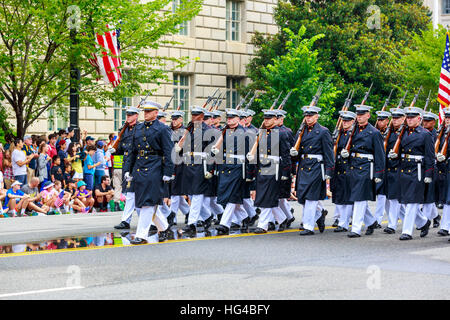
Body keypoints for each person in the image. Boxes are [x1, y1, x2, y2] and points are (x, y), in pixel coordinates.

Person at [122, 101, 175, 244]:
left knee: (147, 203)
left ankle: (142, 235)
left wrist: (168, 172)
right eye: (145, 111)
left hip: (155, 167)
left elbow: (169, 151)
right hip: (140, 167)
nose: (146, 114)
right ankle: (164, 227)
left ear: (156, 113)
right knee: (146, 202)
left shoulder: (162, 129)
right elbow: (132, 151)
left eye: (149, 111)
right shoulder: (138, 128)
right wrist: (127, 170)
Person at [340, 104, 385, 238]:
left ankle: (356, 228)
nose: (359, 117)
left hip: (365, 166)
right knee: (356, 196)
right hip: (353, 165)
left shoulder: (374, 132)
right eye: (358, 115)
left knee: (359, 198)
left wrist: (379, 173)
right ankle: (371, 221)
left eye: (362, 115)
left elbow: (380, 155)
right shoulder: (352, 131)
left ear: (368, 115)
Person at [390, 106, 434, 240]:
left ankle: (407, 231)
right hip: (403, 168)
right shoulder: (402, 133)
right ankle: (423, 222)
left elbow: (430, 156)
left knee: (412, 202)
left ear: (419, 119)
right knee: (404, 201)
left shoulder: (425, 134)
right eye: (407, 118)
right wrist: (395, 155)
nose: (409, 120)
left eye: (412, 117)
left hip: (417, 170)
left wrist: (428, 174)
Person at [290, 105, 334, 235]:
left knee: (311, 197)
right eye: (306, 116)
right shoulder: (301, 132)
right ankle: (319, 214)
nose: (308, 118)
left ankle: (308, 226)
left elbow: (329, 153)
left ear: (316, 116)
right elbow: (298, 153)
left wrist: (329, 171)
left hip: (316, 166)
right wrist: (294, 153)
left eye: (310, 116)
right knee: (302, 197)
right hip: (304, 166)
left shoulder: (323, 131)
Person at [247, 109, 290, 234]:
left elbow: (286, 155)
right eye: (265, 119)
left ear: (275, 119)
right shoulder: (262, 133)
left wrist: (286, 172)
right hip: (262, 166)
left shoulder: (281, 133)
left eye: (269, 119)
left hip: (274, 167)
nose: (266, 121)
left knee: (267, 196)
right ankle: (282, 219)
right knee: (265, 196)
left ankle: (263, 225)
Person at [214, 108, 251, 235]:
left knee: (231, 196)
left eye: (232, 118)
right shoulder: (225, 132)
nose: (229, 120)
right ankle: (246, 217)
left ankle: (224, 224)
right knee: (231, 196)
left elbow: (249, 154)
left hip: (238, 167)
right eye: (228, 118)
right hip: (226, 166)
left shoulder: (244, 133)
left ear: (238, 119)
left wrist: (249, 172)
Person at [179, 105, 215, 235]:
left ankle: (192, 223)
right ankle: (207, 216)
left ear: (202, 116)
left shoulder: (208, 130)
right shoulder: (189, 129)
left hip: (201, 164)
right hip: (189, 164)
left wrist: (210, 170)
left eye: (196, 115)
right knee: (191, 194)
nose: (193, 117)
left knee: (197, 195)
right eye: (192, 115)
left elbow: (212, 152)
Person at [111, 106, 141, 228]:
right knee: (130, 195)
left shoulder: (140, 129)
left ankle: (150, 221)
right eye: (127, 115)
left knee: (137, 195)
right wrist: (114, 150)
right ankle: (126, 221)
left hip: (138, 165)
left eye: (130, 115)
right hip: (127, 165)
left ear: (136, 116)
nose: (128, 117)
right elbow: (122, 149)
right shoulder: (125, 131)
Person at [331, 110, 356, 232]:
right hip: (338, 167)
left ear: (352, 122)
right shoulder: (339, 134)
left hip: (348, 167)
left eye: (347, 121)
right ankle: (371, 221)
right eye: (343, 121)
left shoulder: (354, 135)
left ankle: (343, 222)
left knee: (347, 197)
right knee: (339, 196)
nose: (344, 123)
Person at [383, 108, 407, 234]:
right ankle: (422, 221)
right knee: (389, 197)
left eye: (398, 118)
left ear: (403, 119)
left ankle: (392, 225)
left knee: (394, 199)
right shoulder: (390, 133)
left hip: (399, 168)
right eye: (394, 118)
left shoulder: (406, 132)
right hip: (388, 168)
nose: (395, 120)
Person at [373, 111, 392, 227]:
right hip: (377, 166)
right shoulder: (374, 132)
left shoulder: (391, 133)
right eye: (379, 120)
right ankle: (395, 219)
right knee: (386, 197)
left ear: (387, 121)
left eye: (382, 120)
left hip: (388, 167)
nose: (380, 122)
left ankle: (378, 220)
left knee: (383, 195)